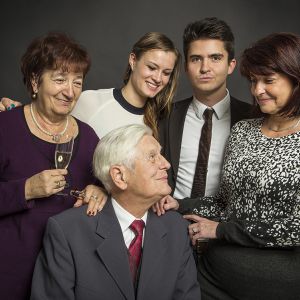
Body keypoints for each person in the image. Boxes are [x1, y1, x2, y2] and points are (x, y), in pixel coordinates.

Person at [155, 32, 300, 299]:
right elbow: (226, 203)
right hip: (214, 275)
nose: (257, 90)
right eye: (253, 81)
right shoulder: (244, 130)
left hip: (277, 281)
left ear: (295, 79)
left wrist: (221, 230)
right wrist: (183, 205)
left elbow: (293, 227)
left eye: (268, 80)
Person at [30, 124, 200, 300]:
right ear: (119, 176)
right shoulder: (67, 231)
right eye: (152, 157)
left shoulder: (176, 228)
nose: (166, 164)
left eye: (161, 155)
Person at [0, 32, 105, 300]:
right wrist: (25, 189)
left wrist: (101, 192)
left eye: (77, 82)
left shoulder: (89, 135)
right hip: (10, 271)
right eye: (59, 80)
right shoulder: (5, 127)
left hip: (67, 275)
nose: (69, 92)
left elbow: (107, 189)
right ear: (35, 81)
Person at [1, 32, 181, 140]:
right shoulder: (91, 101)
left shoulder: (162, 120)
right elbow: (47, 124)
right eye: (151, 67)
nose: (158, 78)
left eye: (166, 73)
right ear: (133, 60)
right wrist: (15, 112)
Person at [159, 17, 252, 199]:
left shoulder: (252, 119)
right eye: (196, 59)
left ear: (231, 65)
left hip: (223, 224)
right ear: (186, 66)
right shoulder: (165, 115)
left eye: (215, 58)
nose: (205, 68)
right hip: (171, 220)